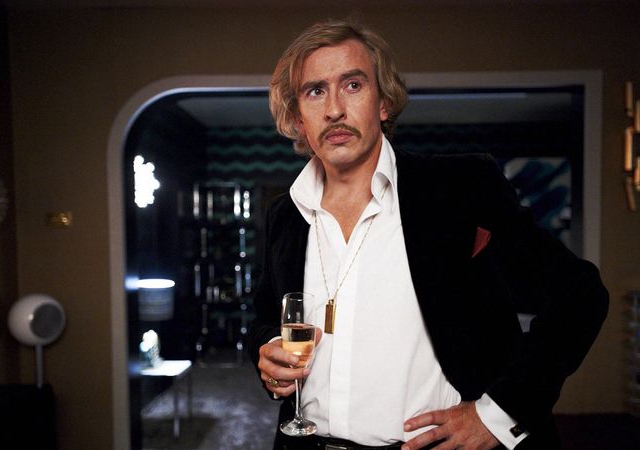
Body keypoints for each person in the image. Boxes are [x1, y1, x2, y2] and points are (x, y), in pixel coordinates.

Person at [247, 19, 608, 450]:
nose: (335, 109)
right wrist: (268, 351)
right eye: (315, 91)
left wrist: (498, 414)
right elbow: (265, 319)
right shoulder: (285, 214)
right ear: (298, 118)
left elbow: (580, 296)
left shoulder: (461, 188)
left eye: (353, 85)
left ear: (383, 102)